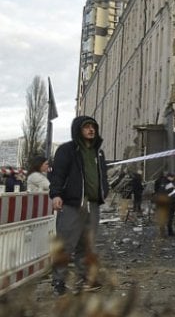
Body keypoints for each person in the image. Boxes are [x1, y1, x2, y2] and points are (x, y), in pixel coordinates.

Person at [49, 116, 109, 296]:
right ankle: (59, 281)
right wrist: (56, 194)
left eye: (93, 127)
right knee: (66, 244)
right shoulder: (67, 150)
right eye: (87, 127)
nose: (91, 130)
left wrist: (104, 190)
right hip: (72, 204)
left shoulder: (98, 152)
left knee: (87, 245)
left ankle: (86, 279)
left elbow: (101, 175)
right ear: (78, 129)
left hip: (93, 205)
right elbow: (57, 174)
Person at [154, 171, 175, 237]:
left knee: (166, 217)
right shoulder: (167, 183)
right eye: (173, 177)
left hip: (165, 202)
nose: (174, 178)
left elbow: (157, 190)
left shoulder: (162, 181)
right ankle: (166, 232)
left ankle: (166, 232)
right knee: (167, 217)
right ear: (170, 177)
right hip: (167, 202)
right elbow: (169, 193)